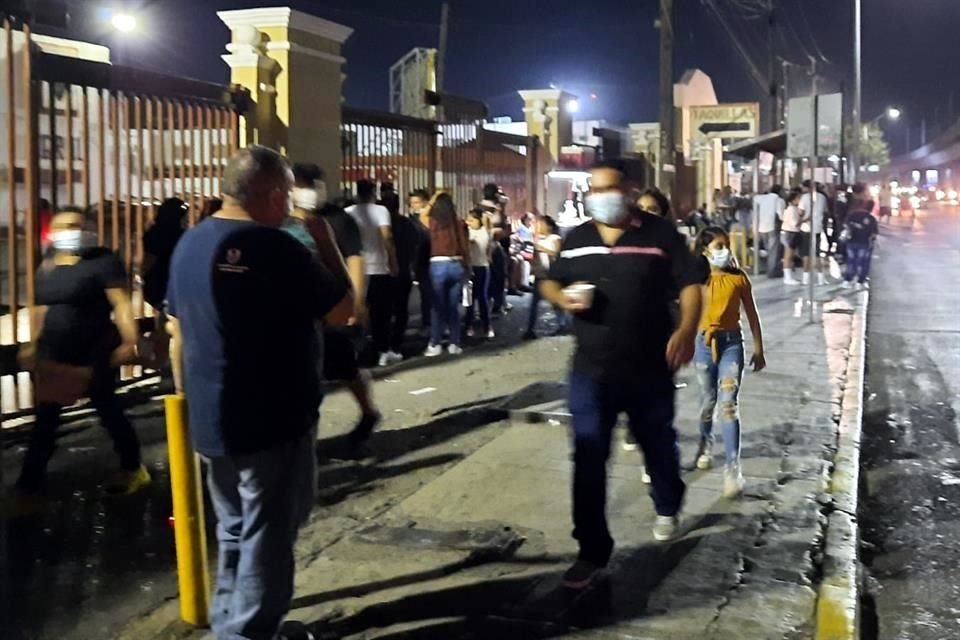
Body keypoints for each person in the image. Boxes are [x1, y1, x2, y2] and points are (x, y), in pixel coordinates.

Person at [166, 146, 352, 640]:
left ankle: (230, 625)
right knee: (268, 536)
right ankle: (249, 633)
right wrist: (323, 238)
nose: (291, 203)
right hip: (273, 417)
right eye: (287, 194)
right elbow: (343, 310)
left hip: (212, 419)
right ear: (272, 194)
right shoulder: (277, 247)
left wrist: (188, 403)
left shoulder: (191, 242)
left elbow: (176, 330)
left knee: (234, 530)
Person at [539, 161, 706, 590]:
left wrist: (687, 330)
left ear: (629, 191)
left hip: (649, 367)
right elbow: (550, 281)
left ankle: (668, 502)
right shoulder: (576, 239)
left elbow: (689, 284)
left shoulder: (659, 234)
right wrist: (564, 299)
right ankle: (591, 550)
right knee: (589, 456)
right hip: (591, 371)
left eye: (608, 188)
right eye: (593, 189)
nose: (600, 196)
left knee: (657, 445)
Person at [14, 207, 149, 506]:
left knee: (108, 410)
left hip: (93, 349)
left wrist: (130, 339)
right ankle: (29, 484)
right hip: (55, 352)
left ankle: (132, 467)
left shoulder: (102, 261)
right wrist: (33, 343)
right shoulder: (48, 262)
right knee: (47, 417)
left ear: (87, 228)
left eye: (76, 224)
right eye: (64, 225)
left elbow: (121, 303)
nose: (70, 230)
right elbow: (40, 308)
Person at [292, 164, 383, 447]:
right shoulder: (280, 220)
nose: (308, 191)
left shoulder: (335, 219)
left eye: (312, 184)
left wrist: (356, 302)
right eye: (302, 184)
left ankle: (368, 412)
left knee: (344, 366)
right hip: (299, 311)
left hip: (331, 307)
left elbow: (353, 259)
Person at [692, 226, 766, 499]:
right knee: (707, 402)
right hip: (703, 345)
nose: (723, 251)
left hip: (732, 344)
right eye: (717, 246)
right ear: (704, 250)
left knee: (728, 404)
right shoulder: (696, 280)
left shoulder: (739, 279)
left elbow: (752, 314)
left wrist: (759, 348)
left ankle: (733, 468)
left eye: (725, 246)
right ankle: (706, 443)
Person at [347, 180, 398, 367]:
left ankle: (356, 351)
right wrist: (393, 262)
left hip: (355, 270)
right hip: (378, 268)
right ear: (373, 192)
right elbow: (387, 237)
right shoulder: (380, 211)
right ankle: (382, 351)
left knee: (357, 313)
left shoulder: (348, 213)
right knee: (381, 314)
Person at [141, 197, 189, 370]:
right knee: (170, 327)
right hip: (174, 284)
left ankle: (159, 361)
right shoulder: (183, 234)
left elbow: (148, 260)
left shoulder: (154, 232)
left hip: (158, 284)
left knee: (163, 324)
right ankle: (162, 364)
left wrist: (141, 277)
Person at [425, 192, 470, 357]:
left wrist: (434, 197)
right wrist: (468, 268)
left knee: (437, 308)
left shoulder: (433, 222)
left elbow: (422, 215)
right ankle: (454, 343)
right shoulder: (459, 224)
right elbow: (465, 248)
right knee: (453, 307)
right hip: (457, 264)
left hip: (438, 264)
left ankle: (435, 344)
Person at [382, 189, 419, 361]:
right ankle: (396, 344)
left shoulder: (381, 226)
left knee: (384, 310)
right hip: (404, 271)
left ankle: (383, 345)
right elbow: (415, 245)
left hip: (383, 272)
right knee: (401, 310)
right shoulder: (407, 224)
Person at [524, 215, 566, 340]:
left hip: (551, 275)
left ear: (549, 226)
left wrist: (541, 249)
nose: (539, 226)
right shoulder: (538, 239)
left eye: (541, 224)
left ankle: (562, 324)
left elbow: (558, 255)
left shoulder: (555, 238)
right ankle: (530, 329)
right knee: (534, 304)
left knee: (555, 302)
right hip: (540, 275)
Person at [464, 208, 495, 339]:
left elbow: (472, 242)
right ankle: (468, 326)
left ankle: (487, 327)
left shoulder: (484, 233)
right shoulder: (468, 231)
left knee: (481, 297)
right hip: (470, 268)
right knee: (469, 298)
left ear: (478, 220)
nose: (468, 222)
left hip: (481, 268)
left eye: (471, 220)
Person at [408, 189, 433, 333]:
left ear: (426, 202)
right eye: (412, 203)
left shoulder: (433, 219)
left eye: (417, 202)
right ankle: (427, 322)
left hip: (434, 259)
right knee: (426, 294)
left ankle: (433, 323)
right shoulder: (411, 221)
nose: (414, 206)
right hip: (421, 263)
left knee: (435, 294)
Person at [841, 199, 879, 289]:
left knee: (851, 261)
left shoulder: (853, 214)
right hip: (864, 243)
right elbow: (874, 234)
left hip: (851, 241)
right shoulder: (871, 218)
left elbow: (845, 225)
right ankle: (860, 281)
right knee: (862, 263)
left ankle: (848, 280)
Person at [799, 180, 828, 285]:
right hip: (818, 228)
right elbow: (824, 212)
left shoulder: (804, 197)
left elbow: (801, 212)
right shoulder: (822, 197)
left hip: (806, 228)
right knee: (817, 254)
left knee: (806, 254)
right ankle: (821, 279)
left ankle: (805, 278)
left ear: (807, 188)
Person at [752, 186, 785, 278]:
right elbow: (781, 215)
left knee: (768, 249)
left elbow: (755, 199)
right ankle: (772, 271)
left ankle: (769, 268)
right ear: (780, 191)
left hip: (761, 227)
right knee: (773, 250)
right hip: (772, 226)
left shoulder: (761, 198)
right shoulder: (779, 200)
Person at [780, 188, 805, 285]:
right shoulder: (792, 209)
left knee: (789, 256)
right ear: (794, 199)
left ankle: (789, 275)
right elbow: (795, 223)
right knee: (788, 256)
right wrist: (803, 219)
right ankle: (787, 277)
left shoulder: (790, 208)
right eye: (799, 198)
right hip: (790, 233)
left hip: (789, 233)